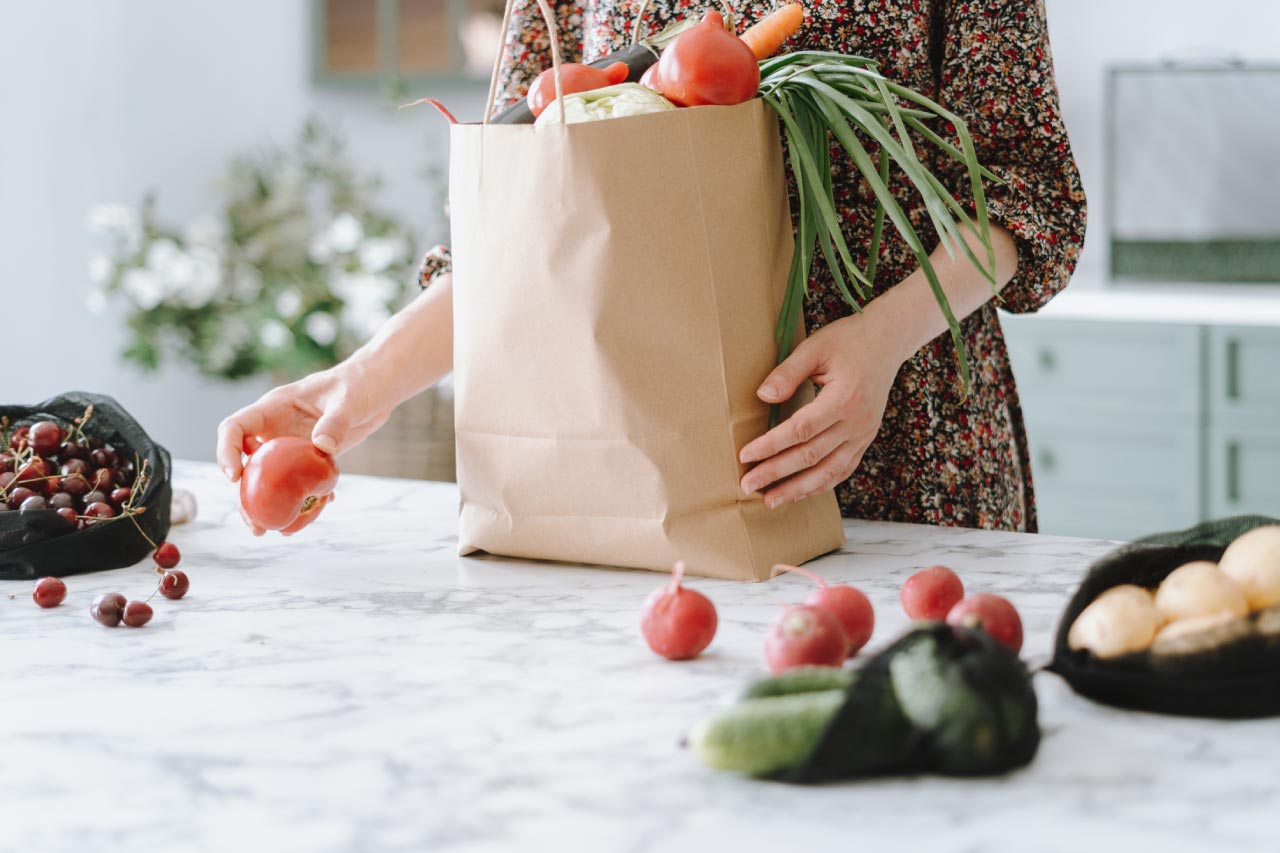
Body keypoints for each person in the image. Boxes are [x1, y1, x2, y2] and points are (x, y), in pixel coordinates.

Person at [218, 0, 1085, 534]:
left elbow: (1025, 194)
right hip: (640, 461)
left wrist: (882, 340)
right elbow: (527, 217)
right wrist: (358, 384)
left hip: (901, 443)